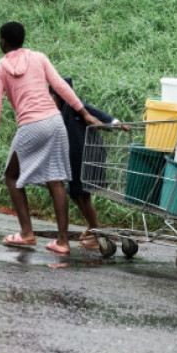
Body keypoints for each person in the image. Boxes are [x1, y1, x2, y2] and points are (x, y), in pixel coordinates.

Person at [0, 21, 102, 255]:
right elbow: (60, 87)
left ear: (3, 42)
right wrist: (84, 113)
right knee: (55, 179)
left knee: (11, 175)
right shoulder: (39, 58)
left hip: (31, 125)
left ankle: (26, 233)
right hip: (55, 122)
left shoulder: (0, 68)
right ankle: (63, 241)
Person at [48, 77, 122, 249]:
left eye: (50, 94)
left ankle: (96, 232)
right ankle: (93, 227)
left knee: (82, 194)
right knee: (75, 193)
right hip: (76, 158)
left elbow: (94, 111)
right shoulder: (58, 112)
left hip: (86, 156)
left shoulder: (72, 105)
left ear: (59, 95)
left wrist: (115, 122)